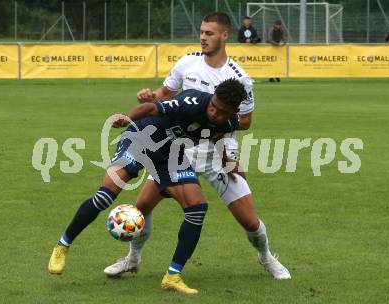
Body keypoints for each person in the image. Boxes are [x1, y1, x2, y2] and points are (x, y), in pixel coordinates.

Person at [104, 12, 291, 281]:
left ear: (225, 35)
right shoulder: (187, 63)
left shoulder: (239, 78)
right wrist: (148, 96)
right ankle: (132, 259)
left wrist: (218, 134)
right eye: (202, 32)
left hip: (219, 153)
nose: (203, 37)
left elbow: (246, 121)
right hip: (178, 151)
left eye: (209, 33)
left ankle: (266, 257)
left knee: (249, 221)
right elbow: (164, 95)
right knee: (142, 207)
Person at [48, 79, 246, 295]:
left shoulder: (229, 122)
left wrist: (228, 162)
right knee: (105, 196)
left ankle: (172, 276)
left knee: (197, 208)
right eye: (213, 106)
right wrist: (127, 118)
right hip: (141, 138)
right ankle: (63, 245)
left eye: (222, 111)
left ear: (233, 112)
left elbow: (218, 136)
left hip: (171, 154)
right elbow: (151, 107)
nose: (214, 113)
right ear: (213, 96)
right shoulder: (193, 101)